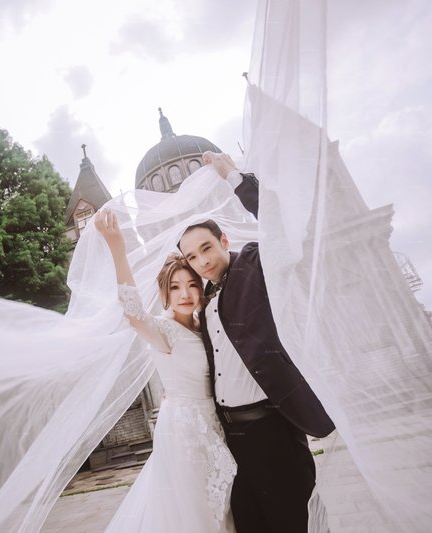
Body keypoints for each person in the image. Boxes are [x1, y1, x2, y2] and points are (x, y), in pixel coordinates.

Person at [177, 151, 335, 533]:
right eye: (192, 257)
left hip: (271, 428)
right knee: (249, 524)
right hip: (231, 438)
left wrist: (232, 175)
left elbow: (279, 224)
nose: (202, 261)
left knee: (293, 521)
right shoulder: (205, 299)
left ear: (223, 240)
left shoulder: (254, 264)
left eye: (206, 248)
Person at [94, 208, 237, 533]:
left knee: (223, 506)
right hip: (184, 431)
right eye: (175, 287)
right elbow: (132, 312)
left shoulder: (205, 323)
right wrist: (117, 248)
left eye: (192, 285)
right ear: (164, 293)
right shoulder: (163, 330)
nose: (185, 294)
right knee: (197, 513)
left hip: (215, 425)